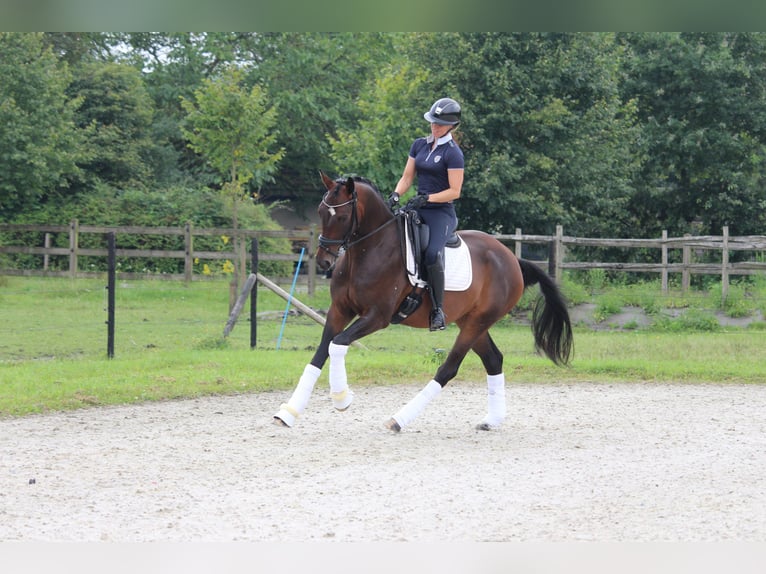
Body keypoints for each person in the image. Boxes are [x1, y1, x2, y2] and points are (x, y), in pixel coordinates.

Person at [389, 97, 464, 331]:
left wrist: (428, 198)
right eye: (433, 122)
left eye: (440, 124)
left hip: (441, 212)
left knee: (432, 254)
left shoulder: (454, 153)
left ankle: (438, 310)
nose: (435, 126)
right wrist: (395, 194)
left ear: (452, 126)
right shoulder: (419, 144)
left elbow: (455, 190)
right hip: (417, 207)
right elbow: (407, 177)